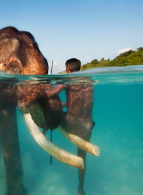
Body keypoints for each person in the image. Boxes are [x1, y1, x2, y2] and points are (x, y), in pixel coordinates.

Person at [46, 58, 95, 195]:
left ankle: (44, 130)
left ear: (67, 69)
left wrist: (37, 95)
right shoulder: (89, 82)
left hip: (72, 124)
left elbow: (51, 93)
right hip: (88, 126)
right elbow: (77, 102)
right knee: (82, 156)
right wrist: (62, 104)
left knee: (52, 112)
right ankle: (81, 189)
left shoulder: (68, 79)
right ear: (79, 67)